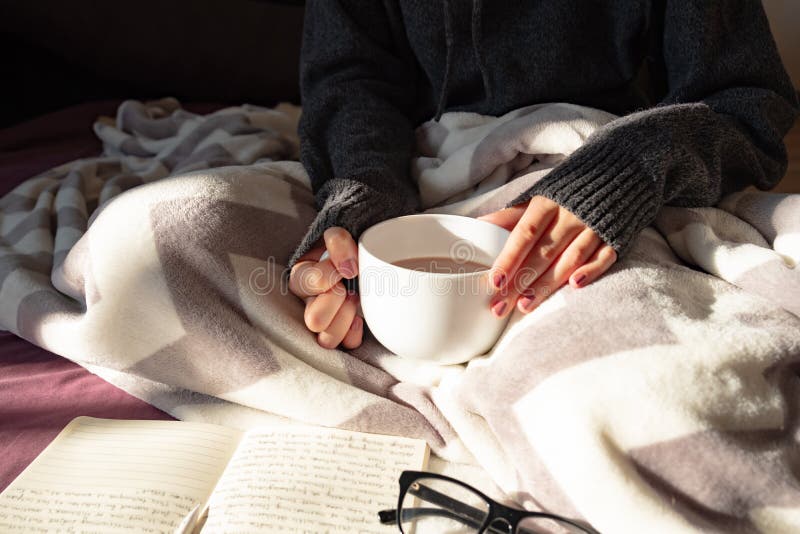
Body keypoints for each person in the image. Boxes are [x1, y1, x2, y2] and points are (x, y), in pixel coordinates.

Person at [287, 0, 799, 350]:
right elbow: (350, 80)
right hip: (410, 169)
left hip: (605, 184)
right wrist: (362, 198)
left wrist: (622, 171)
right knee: (208, 223)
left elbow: (749, 105)